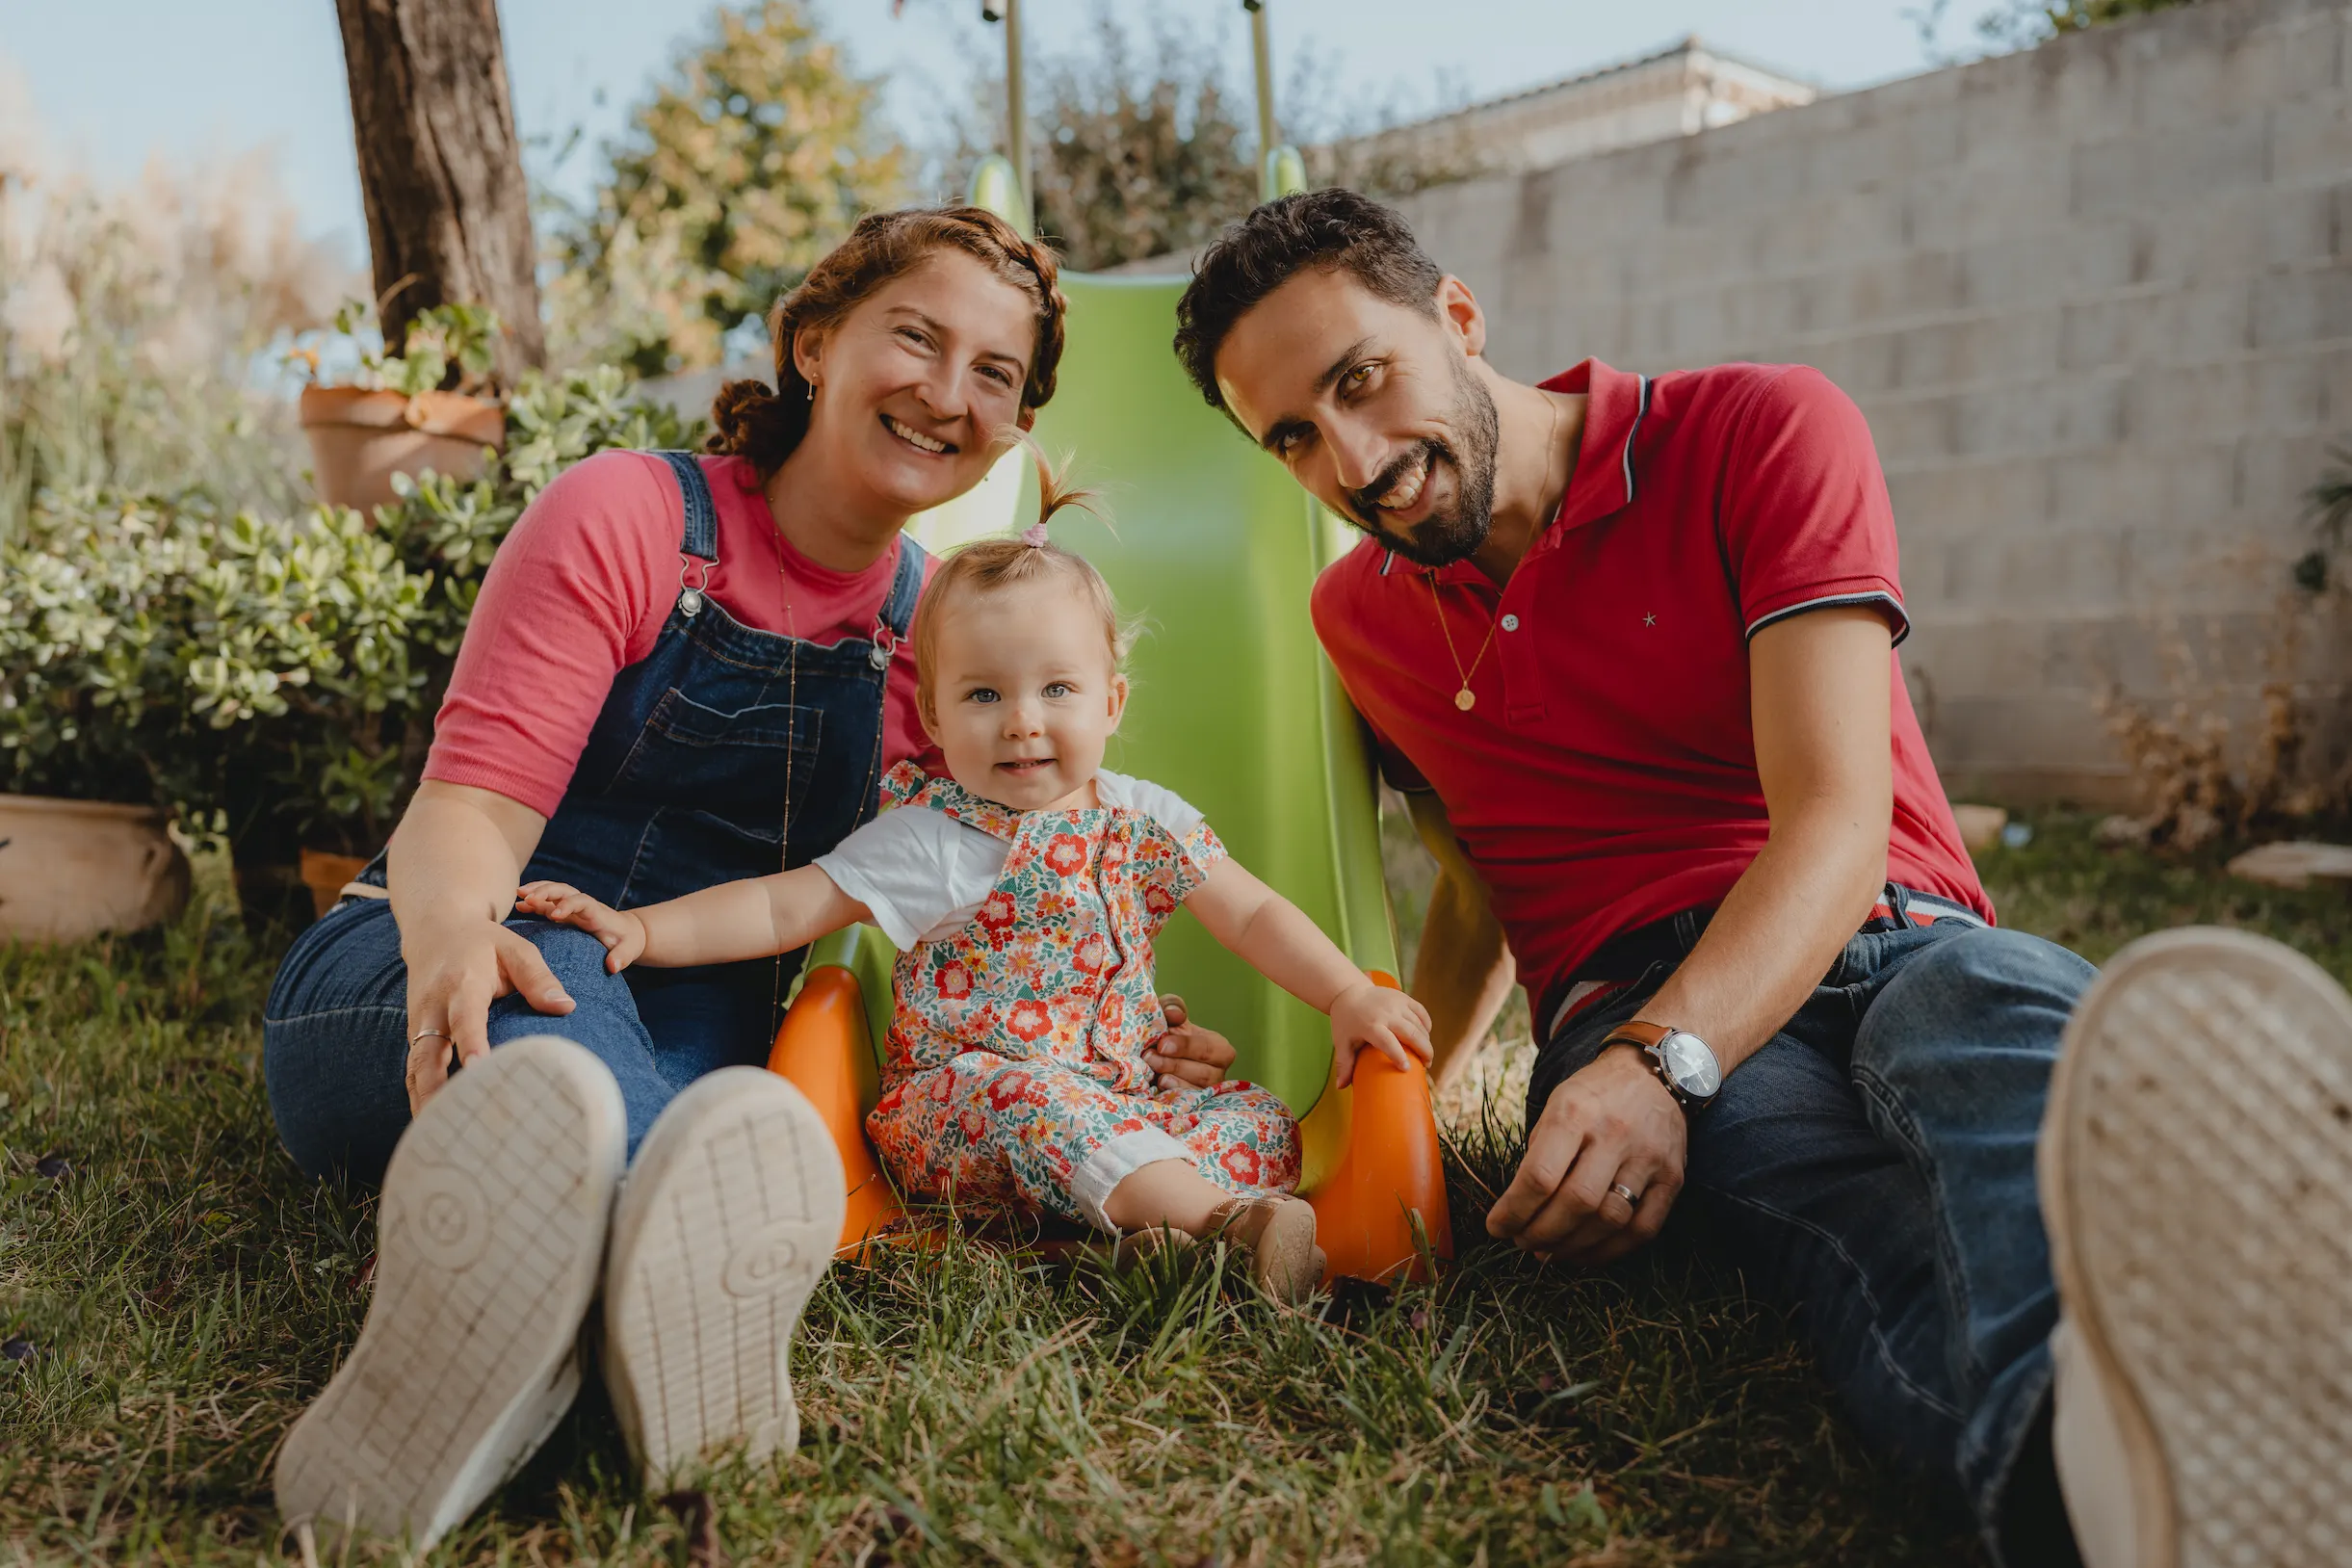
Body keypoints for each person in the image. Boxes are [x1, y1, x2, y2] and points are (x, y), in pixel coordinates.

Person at [1171, 187, 2352, 1568]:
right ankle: (2099, 1464)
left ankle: (2191, 1372)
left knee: (1990, 1047)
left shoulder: (1754, 430)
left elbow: (1838, 819)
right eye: (1295, 440)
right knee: (1837, 1219)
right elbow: (1476, 881)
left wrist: (1659, 1065)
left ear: (1459, 317)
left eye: (1359, 380)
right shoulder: (1351, 619)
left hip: (1880, 924)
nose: (1355, 461)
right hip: (1619, 1000)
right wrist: (1408, 1119)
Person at [263, 206, 1233, 1551]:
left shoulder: (946, 636)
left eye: (994, 376)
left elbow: (996, 893)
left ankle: (520, 1311)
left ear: (1014, 427)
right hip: (430, 951)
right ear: (814, 340)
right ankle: (608, 1288)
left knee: (686, 1128)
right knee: (580, 1083)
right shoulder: (631, 515)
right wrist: (452, 944)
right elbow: (467, 815)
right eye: (915, 336)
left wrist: (1113, 1032)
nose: (947, 394)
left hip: (701, 1008)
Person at [516, 515, 1434, 1303]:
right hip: (969, 1113)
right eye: (985, 695)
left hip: (1115, 1098)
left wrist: (1346, 993)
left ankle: (1142, 1245)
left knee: (1257, 1121)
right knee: (1033, 1100)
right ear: (938, 721)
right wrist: (643, 929)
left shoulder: (1146, 818)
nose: (1022, 721)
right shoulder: (934, 837)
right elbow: (778, 908)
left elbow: (1254, 915)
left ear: (1111, 703)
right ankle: (1223, 1226)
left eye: (1057, 690)